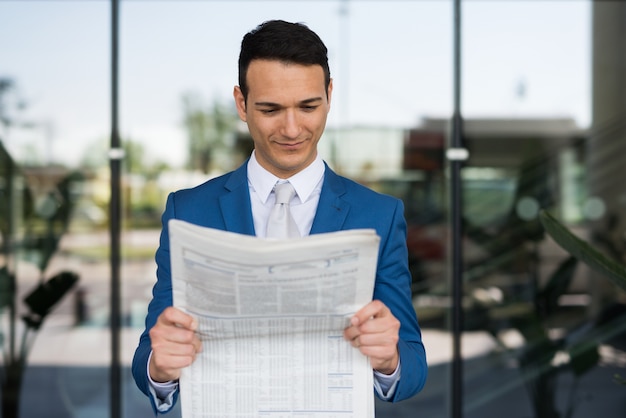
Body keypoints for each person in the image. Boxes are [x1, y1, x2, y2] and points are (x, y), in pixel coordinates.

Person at [132, 19, 427, 414]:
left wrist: (389, 360)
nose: (292, 129)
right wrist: (160, 367)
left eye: (308, 106)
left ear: (329, 94)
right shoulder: (188, 211)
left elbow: (413, 364)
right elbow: (147, 357)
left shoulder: (380, 214)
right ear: (241, 104)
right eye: (270, 109)